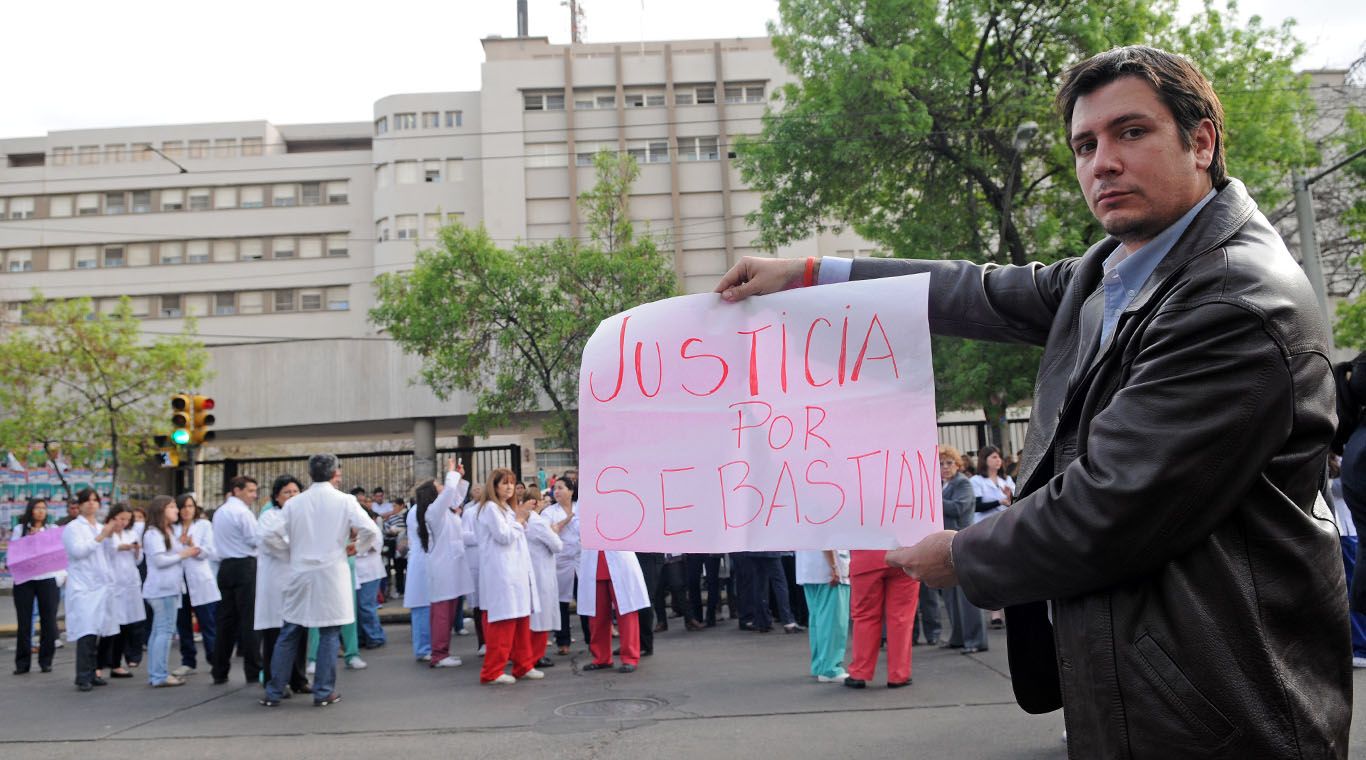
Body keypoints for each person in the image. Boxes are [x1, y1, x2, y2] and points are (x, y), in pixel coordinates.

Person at [717, 45, 1349, 755]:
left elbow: (1110, 507)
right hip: (1151, 690)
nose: (1101, 162)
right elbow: (975, 291)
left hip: (1221, 710)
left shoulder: (1234, 301)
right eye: (1085, 144)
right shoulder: (1118, 269)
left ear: (1201, 141)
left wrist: (961, 553)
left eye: (1130, 132)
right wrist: (810, 273)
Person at [260, 454, 380, 707]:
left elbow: (269, 535)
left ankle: (274, 691)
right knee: (329, 631)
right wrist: (357, 547)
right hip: (331, 572)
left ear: (309, 473)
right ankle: (323, 691)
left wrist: (290, 553)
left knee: (290, 630)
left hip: (300, 571)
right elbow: (371, 530)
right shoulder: (345, 500)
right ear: (334, 471)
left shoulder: (294, 503)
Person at [475, 468, 542, 684]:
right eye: (504, 483)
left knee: (521, 620)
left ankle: (523, 665)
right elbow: (503, 536)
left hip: (517, 572)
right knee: (503, 624)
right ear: (493, 486)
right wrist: (520, 519)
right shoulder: (489, 509)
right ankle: (492, 671)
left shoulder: (507, 509)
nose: (510, 487)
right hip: (501, 573)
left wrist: (521, 518)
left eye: (512, 483)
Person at [255, 475, 310, 695]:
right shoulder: (269, 516)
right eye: (286, 492)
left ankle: (299, 679)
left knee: (300, 630)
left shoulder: (305, 517)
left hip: (298, 580)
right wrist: (293, 548)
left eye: (295, 492)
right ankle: (275, 680)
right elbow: (270, 540)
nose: (291, 496)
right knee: (275, 634)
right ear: (277, 497)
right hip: (276, 582)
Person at [61, 487, 120, 691]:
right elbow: (78, 551)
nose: (91, 504)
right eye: (87, 500)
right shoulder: (73, 528)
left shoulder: (100, 527)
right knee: (86, 631)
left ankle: (94, 671)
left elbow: (110, 554)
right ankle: (83, 676)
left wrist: (111, 536)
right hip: (83, 586)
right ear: (80, 504)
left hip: (101, 585)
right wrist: (102, 536)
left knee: (98, 630)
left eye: (95, 500)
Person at [143, 495, 199, 688]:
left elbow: (170, 555)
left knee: (159, 631)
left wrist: (182, 545)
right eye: (173, 507)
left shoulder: (167, 531)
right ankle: (159, 675)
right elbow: (160, 560)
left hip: (168, 587)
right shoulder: (153, 533)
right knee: (164, 631)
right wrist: (184, 553)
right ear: (161, 510)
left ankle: (156, 673)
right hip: (162, 589)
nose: (177, 510)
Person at [423, 458, 473, 668]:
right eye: (439, 486)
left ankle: (443, 652)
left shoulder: (446, 511)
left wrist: (459, 477)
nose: (443, 487)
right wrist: (451, 473)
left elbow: (455, 497)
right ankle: (439, 655)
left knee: (450, 611)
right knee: (442, 615)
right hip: (443, 569)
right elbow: (449, 495)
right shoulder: (433, 512)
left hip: (452, 568)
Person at [211, 475, 261, 686]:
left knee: (225, 622)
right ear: (237, 490)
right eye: (250, 491)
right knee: (249, 621)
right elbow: (254, 539)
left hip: (225, 567)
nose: (254, 495)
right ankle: (253, 670)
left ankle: (219, 670)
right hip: (244, 566)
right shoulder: (243, 512)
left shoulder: (221, 511)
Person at [938, 446, 987, 654]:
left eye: (949, 463)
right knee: (950, 594)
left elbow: (959, 508)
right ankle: (958, 637)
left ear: (958, 465)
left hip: (961, 543)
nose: (945, 467)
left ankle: (976, 640)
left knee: (966, 596)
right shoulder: (943, 485)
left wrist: (933, 501)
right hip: (946, 544)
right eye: (941, 464)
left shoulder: (963, 484)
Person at [578, 545, 650, 674]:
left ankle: (630, 657)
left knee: (627, 614)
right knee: (596, 616)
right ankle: (601, 658)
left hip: (620, 562)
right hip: (593, 565)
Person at [9, 498, 60, 675]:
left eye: (43, 508)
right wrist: (28, 540)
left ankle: (46, 661)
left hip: (46, 578)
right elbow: (14, 555)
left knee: (49, 621)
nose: (40, 511)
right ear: (30, 510)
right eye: (37, 508)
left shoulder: (51, 530)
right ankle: (22, 663)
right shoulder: (19, 530)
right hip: (25, 580)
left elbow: (56, 553)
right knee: (24, 622)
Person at [172, 493, 220, 678]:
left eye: (190, 506)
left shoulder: (204, 526)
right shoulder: (171, 528)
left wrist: (194, 545)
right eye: (183, 507)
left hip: (200, 579)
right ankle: (188, 661)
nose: (186, 510)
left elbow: (211, 551)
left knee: (208, 623)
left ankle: (214, 660)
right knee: (183, 623)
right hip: (179, 581)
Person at [99, 504, 145, 678]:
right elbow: (106, 552)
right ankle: (101, 662)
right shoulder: (106, 532)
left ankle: (117, 663)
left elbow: (139, 560)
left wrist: (136, 550)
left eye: (127, 519)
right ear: (113, 517)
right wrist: (120, 547)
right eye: (121, 518)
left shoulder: (131, 533)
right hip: (113, 583)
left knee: (126, 624)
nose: (124, 522)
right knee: (110, 625)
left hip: (130, 583)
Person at [541, 478, 583, 656]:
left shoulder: (582, 507)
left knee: (586, 601)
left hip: (582, 559)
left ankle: (592, 639)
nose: (556, 491)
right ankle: (563, 641)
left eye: (560, 488)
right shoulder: (548, 512)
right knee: (561, 603)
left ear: (571, 491)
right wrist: (567, 519)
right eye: (554, 489)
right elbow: (548, 531)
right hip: (561, 561)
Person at [797, 549, 850, 683]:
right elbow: (826, 538)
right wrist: (834, 566)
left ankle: (820, 666)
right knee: (833, 622)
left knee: (818, 620)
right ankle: (830, 669)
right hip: (828, 568)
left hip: (809, 567)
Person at [525, 495, 562, 669]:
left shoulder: (525, 522)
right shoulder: (538, 522)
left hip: (531, 571)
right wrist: (554, 531)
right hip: (542, 572)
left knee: (534, 616)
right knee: (542, 615)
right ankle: (536, 655)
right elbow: (557, 545)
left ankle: (529, 654)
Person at [350, 487, 386, 649]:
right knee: (358, 608)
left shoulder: (372, 529)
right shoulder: (352, 530)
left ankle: (375, 637)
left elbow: (373, 546)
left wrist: (356, 546)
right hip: (358, 573)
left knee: (366, 607)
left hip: (370, 573)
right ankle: (363, 637)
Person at [404, 480, 433, 662]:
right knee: (422, 608)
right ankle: (423, 648)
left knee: (424, 607)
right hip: (421, 563)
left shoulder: (419, 511)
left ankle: (424, 646)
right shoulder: (418, 512)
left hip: (422, 562)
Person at [461, 482, 487, 655]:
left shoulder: (495, 510)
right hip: (476, 561)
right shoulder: (469, 512)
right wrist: (484, 537)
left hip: (493, 561)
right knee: (479, 605)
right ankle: (482, 642)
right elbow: (464, 535)